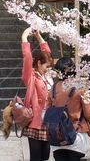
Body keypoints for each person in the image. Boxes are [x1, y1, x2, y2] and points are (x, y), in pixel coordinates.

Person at [48, 57, 90, 161]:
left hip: (58, 138)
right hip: (76, 136)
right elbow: (89, 115)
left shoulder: (52, 89)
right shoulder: (81, 88)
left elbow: (48, 113)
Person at [21, 27, 54, 161]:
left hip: (48, 120)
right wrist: (24, 37)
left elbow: (47, 53)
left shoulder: (47, 76)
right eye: (46, 66)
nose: (48, 69)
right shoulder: (31, 76)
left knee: (45, 156)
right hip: (35, 121)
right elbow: (28, 57)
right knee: (36, 157)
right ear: (39, 63)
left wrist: (39, 37)